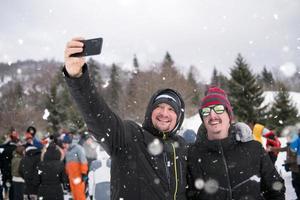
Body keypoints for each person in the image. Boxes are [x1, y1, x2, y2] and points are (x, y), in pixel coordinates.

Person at [63, 37, 188, 200]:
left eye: (171, 109)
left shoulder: (184, 148)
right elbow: (98, 118)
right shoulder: (130, 136)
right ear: (150, 110)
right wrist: (78, 79)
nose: (164, 113)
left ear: (178, 117)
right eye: (159, 107)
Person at [187, 86, 285, 200]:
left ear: (229, 115)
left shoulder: (254, 149)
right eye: (206, 111)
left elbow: (275, 190)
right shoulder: (193, 154)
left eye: (219, 109)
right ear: (202, 119)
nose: (212, 116)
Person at [62, 133, 88, 200]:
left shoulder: (78, 148)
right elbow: (67, 164)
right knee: (74, 194)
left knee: (80, 194)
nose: (64, 145)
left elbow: (83, 161)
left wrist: (84, 173)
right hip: (71, 176)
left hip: (78, 176)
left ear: (69, 143)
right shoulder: (67, 151)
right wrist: (66, 173)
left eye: (65, 144)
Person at [0, 127, 19, 200]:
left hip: (9, 172)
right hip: (9, 173)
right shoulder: (5, 147)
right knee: (11, 192)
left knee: (9, 191)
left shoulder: (4, 147)